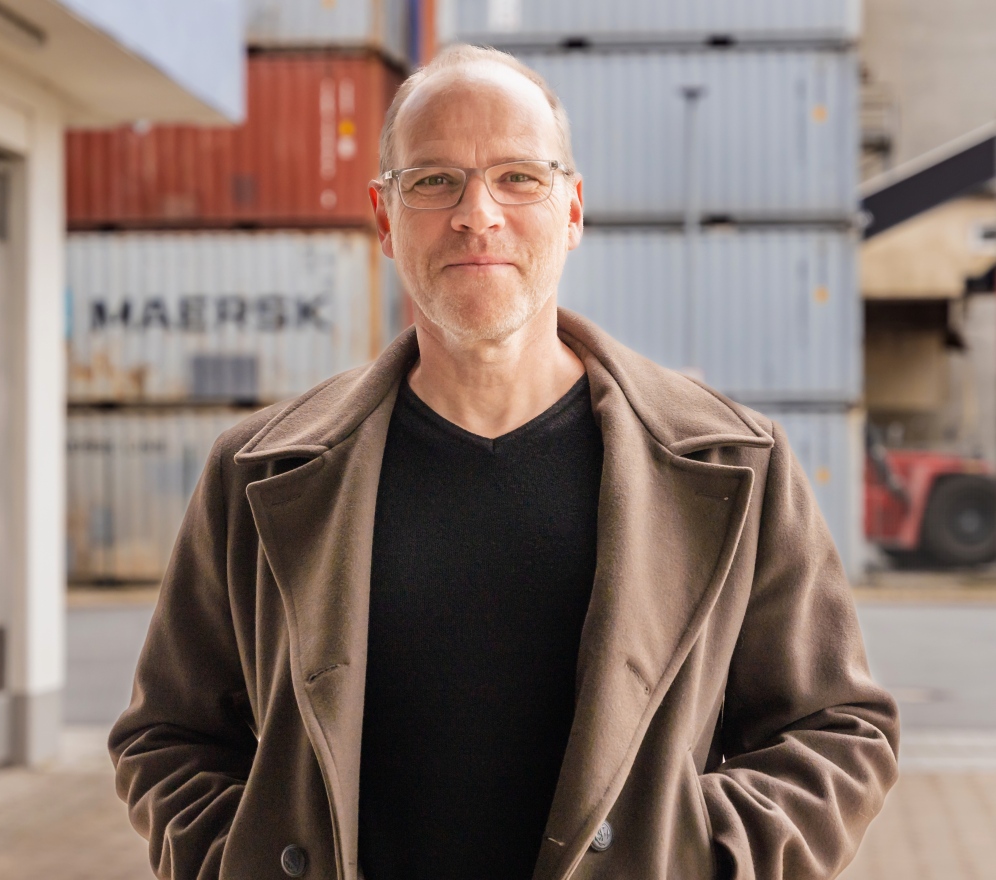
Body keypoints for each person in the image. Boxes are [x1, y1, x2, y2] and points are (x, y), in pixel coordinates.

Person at [110, 44, 899, 880]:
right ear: (384, 217)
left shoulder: (735, 464)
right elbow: (168, 734)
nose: (476, 213)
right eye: (434, 180)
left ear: (572, 210)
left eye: (518, 177)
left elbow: (837, 729)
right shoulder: (257, 471)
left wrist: (702, 856)